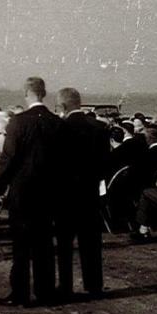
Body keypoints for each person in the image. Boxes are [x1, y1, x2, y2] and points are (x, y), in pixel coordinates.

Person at [0, 77, 62, 307]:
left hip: (23, 190)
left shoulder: (18, 122)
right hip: (50, 188)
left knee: (21, 244)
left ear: (26, 93)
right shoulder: (56, 122)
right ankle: (45, 291)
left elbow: (9, 157)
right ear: (44, 93)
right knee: (44, 242)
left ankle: (20, 293)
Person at [54, 88, 110, 299]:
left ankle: (66, 286)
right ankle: (94, 285)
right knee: (91, 242)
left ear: (62, 106)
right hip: (90, 191)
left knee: (64, 244)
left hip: (66, 193)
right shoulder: (99, 128)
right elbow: (106, 164)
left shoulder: (60, 128)